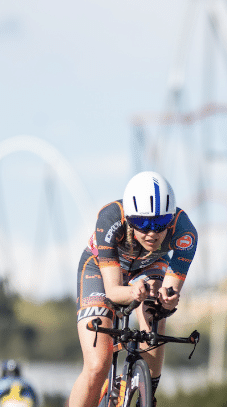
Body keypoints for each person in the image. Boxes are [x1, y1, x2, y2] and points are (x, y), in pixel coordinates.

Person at [69, 171, 198, 407]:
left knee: (155, 314)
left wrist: (167, 301)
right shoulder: (110, 218)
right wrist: (132, 291)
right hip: (101, 269)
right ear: (129, 218)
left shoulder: (185, 233)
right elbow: (113, 291)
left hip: (149, 266)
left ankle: (146, 394)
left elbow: (170, 291)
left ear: (170, 220)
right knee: (98, 365)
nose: (151, 233)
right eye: (142, 224)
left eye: (160, 225)